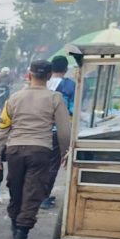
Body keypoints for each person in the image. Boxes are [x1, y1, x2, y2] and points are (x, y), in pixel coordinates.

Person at [0, 59, 72, 239]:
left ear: (29, 75)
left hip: (15, 150)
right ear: (49, 76)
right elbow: (64, 130)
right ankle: (20, 238)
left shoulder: (14, 98)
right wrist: (65, 152)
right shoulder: (55, 98)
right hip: (40, 150)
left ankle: (16, 229)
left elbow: (2, 129)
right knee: (33, 193)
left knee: (16, 191)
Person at [43, 55, 76, 208]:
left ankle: (35, 195)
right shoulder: (69, 85)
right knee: (52, 164)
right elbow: (73, 109)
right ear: (66, 69)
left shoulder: (42, 82)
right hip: (57, 129)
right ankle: (43, 197)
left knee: (38, 164)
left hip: (39, 129)